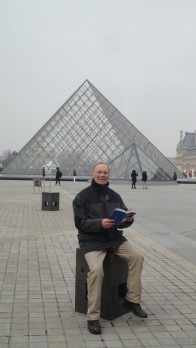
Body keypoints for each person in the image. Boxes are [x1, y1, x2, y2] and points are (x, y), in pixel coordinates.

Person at [72, 162, 148, 335]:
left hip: (114, 239)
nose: (102, 175)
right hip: (92, 241)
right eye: (99, 172)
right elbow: (80, 223)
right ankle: (93, 318)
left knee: (138, 257)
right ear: (92, 173)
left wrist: (127, 221)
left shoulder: (115, 195)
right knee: (97, 271)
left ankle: (132, 300)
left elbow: (121, 220)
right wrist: (100, 224)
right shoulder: (81, 197)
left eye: (105, 172)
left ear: (109, 175)